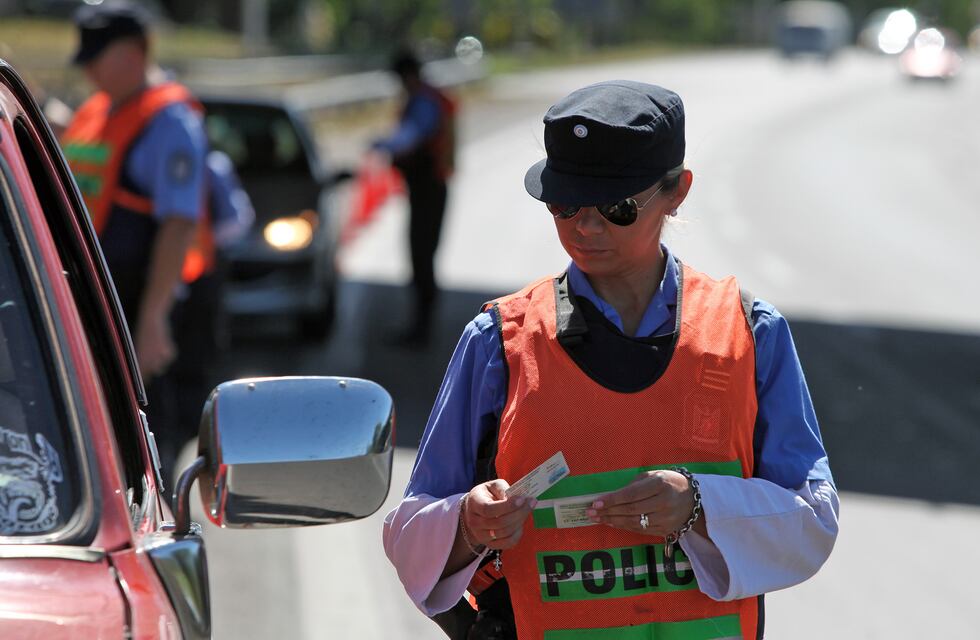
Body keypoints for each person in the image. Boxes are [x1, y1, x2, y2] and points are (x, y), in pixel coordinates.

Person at [383, 80, 839, 639]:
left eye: (617, 207)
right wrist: (469, 525)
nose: (585, 227)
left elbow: (812, 521)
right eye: (564, 204)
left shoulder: (751, 333)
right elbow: (409, 535)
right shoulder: (498, 340)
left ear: (677, 192)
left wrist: (699, 506)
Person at [60, 1, 211, 486]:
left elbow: (179, 223)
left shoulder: (169, 123)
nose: (87, 66)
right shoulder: (98, 110)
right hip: (100, 305)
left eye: (99, 54)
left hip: (140, 306)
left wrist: (151, 321)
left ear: (137, 53)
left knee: (146, 446)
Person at [372, 47, 457, 347]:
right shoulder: (429, 97)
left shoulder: (423, 102)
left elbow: (409, 140)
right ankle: (421, 325)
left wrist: (380, 144)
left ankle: (422, 329)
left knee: (421, 256)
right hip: (428, 188)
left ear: (408, 75)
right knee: (422, 255)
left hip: (428, 188)